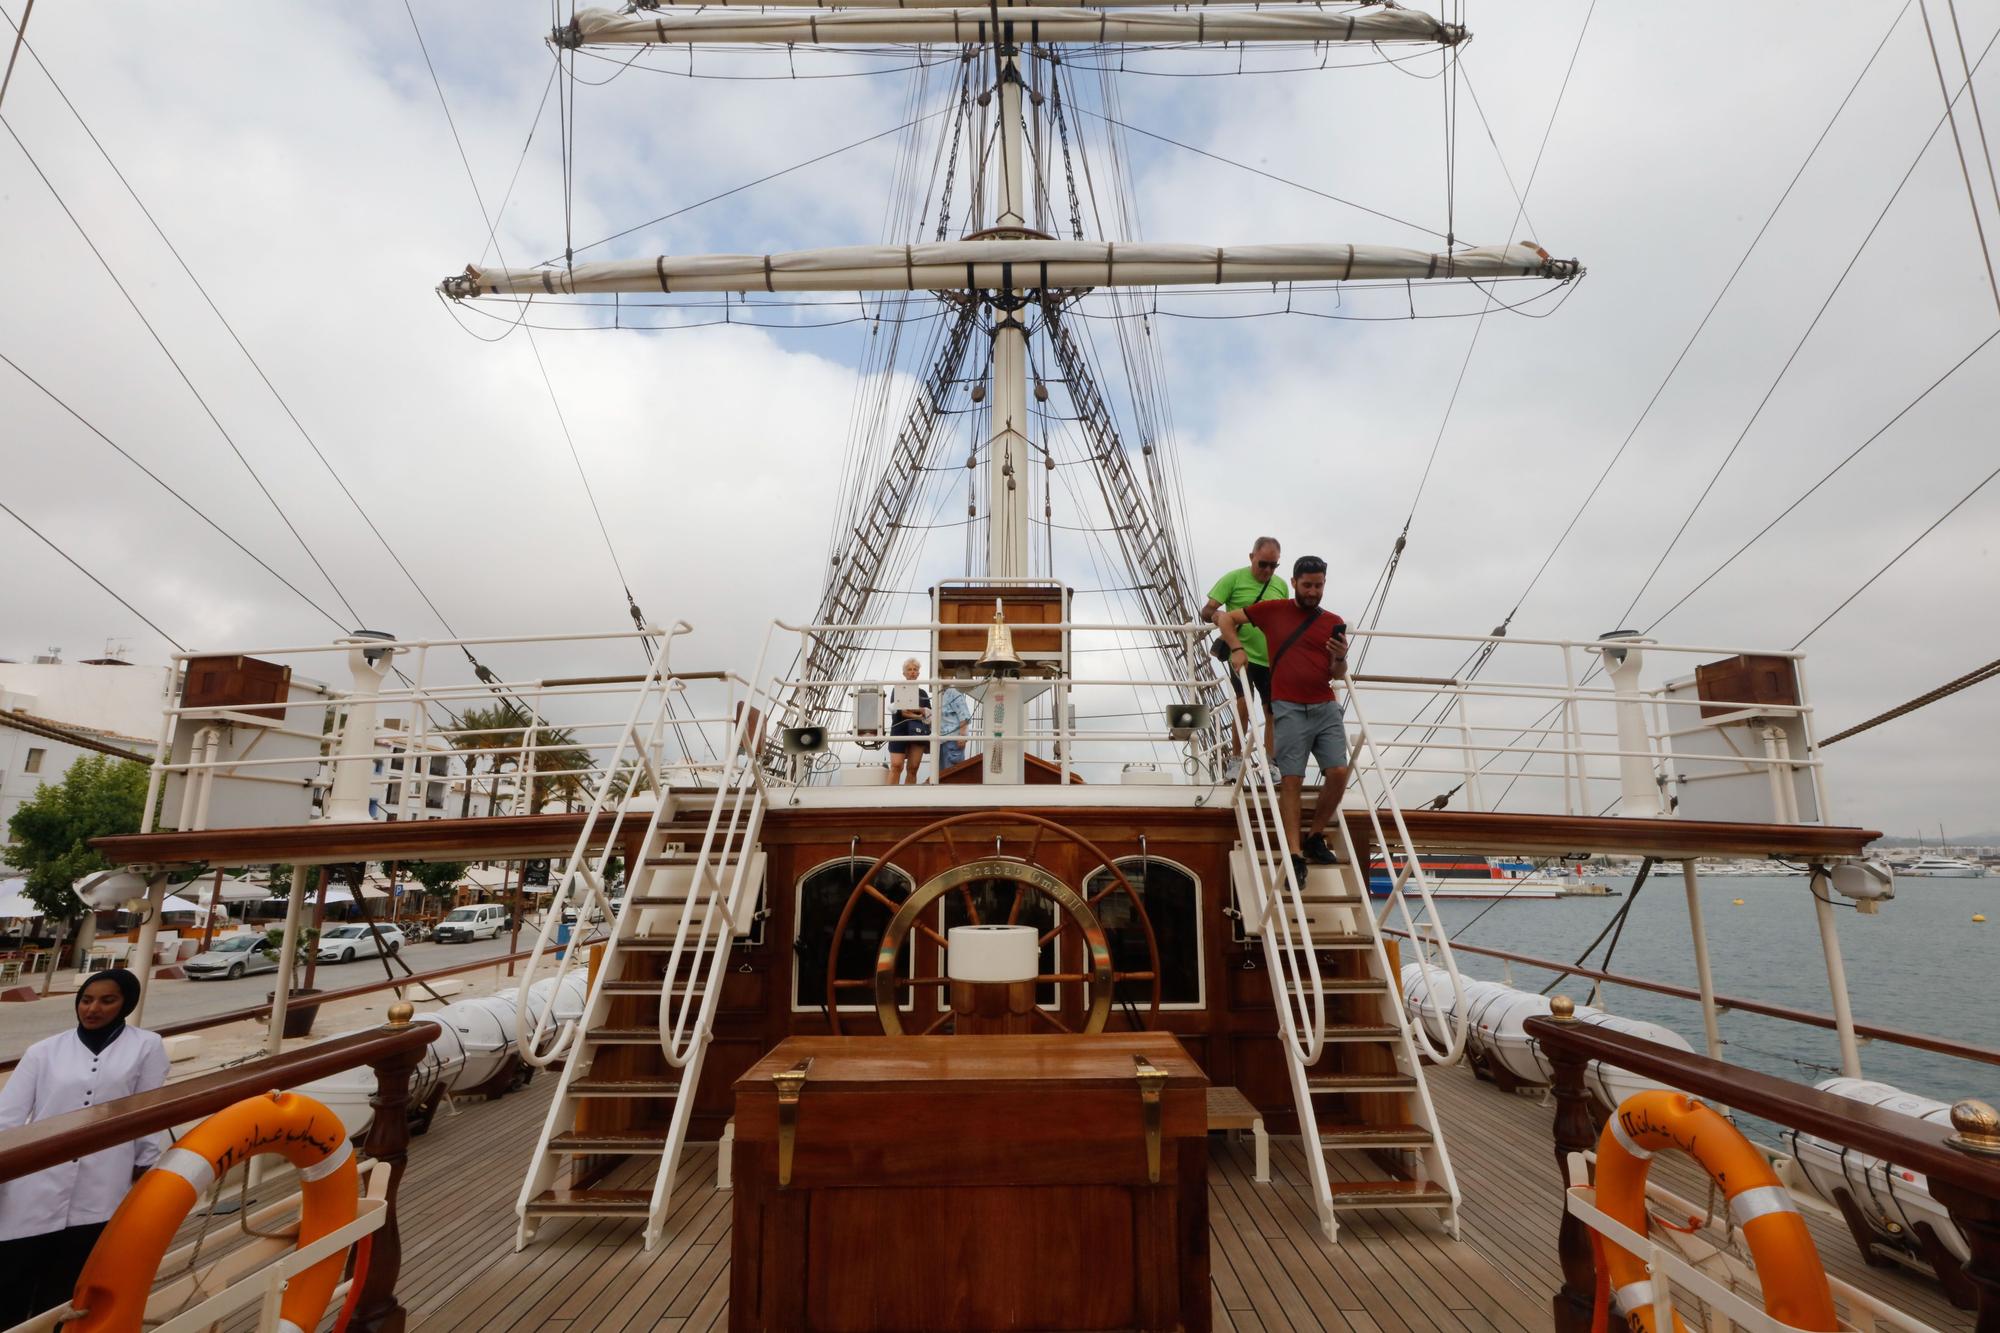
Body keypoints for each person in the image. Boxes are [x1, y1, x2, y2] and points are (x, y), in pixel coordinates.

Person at [0, 969, 169, 1326]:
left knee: (70, 1286)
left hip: (103, 1184)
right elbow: (8, 1118)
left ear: (127, 1003)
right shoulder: (44, 1052)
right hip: (35, 1184)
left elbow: (148, 1110)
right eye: (86, 1000)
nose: (93, 1009)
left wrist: (145, 1165)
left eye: (108, 1000)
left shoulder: (146, 1046)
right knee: (12, 1278)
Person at [1213, 554, 1349, 884]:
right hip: (1288, 706)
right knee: (1291, 779)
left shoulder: (1332, 621)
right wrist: (1235, 648)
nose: (1313, 591)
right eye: (1307, 585)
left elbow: (1338, 673)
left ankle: (1315, 836)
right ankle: (1294, 854)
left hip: (1324, 705)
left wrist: (1341, 656)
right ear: (1294, 583)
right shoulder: (1274, 611)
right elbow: (1226, 619)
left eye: (1318, 585)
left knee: (1339, 772)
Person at [1201, 537, 1288, 766]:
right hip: (1241, 654)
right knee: (1243, 706)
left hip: (1269, 658)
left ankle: (1270, 763)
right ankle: (1237, 759)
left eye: (1273, 565)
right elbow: (1207, 610)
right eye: (1263, 564)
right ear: (1252, 558)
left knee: (1272, 711)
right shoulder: (1234, 578)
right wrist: (1217, 616)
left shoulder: (1280, 586)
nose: (1268, 570)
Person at [884, 657, 932, 785]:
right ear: (904, 673)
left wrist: (917, 711)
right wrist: (920, 714)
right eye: (909, 669)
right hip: (900, 730)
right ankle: (889, 798)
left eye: (915, 669)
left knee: (913, 768)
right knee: (896, 765)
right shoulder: (898, 688)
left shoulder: (923, 693)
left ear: (918, 673)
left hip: (918, 731)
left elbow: (930, 714)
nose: (912, 672)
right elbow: (903, 712)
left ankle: (907, 798)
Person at [937, 686, 975, 773]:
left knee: (952, 774)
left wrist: (962, 736)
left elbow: (964, 715)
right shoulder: (940, 694)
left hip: (953, 740)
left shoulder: (953, 693)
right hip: (942, 741)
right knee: (943, 776)